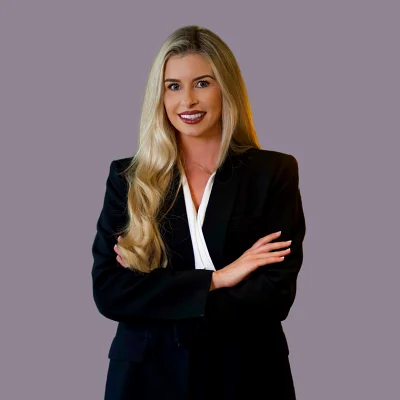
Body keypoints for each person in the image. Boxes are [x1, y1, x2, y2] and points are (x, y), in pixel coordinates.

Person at [91, 25, 306, 400]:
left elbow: (273, 295)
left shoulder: (272, 173)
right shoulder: (128, 179)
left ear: (226, 88)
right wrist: (217, 279)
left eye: (202, 83)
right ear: (159, 95)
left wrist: (159, 293)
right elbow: (110, 292)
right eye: (173, 86)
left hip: (247, 375)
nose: (187, 100)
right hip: (146, 379)